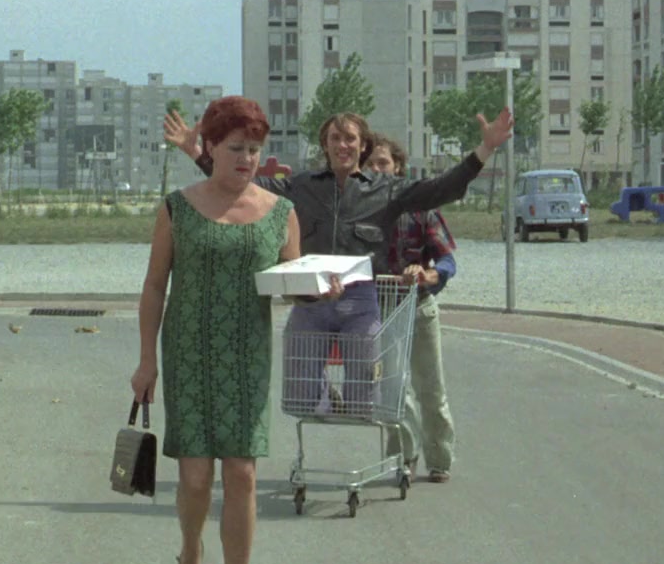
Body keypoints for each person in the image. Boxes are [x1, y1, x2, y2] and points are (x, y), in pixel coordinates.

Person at [164, 107, 513, 416]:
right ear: (325, 145)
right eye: (334, 138)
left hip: (360, 303)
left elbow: (442, 188)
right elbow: (243, 181)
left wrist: (484, 150)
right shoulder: (302, 186)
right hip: (312, 300)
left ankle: (353, 403)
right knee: (299, 401)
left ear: (363, 146)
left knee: (364, 404)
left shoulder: (387, 189)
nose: (342, 145)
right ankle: (325, 396)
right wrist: (196, 151)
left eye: (350, 138)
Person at [131, 96, 332, 564]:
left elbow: (290, 282)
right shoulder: (177, 208)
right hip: (188, 355)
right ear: (210, 147)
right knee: (196, 477)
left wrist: (318, 289)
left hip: (247, 357)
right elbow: (155, 286)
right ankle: (190, 554)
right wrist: (146, 361)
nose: (247, 159)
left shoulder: (281, 212)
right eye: (236, 148)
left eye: (254, 150)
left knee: (241, 474)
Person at [364, 133, 458, 484]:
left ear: (398, 167)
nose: (377, 169)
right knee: (393, 391)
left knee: (430, 388)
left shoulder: (421, 209)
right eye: (370, 164)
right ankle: (403, 457)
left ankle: (439, 459)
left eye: (383, 163)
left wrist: (427, 274)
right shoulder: (360, 210)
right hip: (380, 308)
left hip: (418, 306)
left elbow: (447, 260)